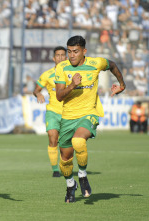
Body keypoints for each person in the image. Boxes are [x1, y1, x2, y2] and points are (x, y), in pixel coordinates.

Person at [55, 35, 126, 203]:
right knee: (64, 161)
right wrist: (72, 85)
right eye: (69, 52)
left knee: (79, 141)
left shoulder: (96, 63)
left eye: (75, 52)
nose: (71, 55)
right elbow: (59, 96)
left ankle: (83, 175)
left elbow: (113, 65)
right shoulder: (62, 68)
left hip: (89, 113)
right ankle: (70, 184)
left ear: (84, 51)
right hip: (67, 117)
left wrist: (121, 85)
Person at [33, 46, 67, 178]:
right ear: (54, 58)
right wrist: (38, 94)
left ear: (66, 57)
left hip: (68, 112)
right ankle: (55, 170)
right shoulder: (47, 75)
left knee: (66, 144)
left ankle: (65, 166)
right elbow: (36, 89)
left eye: (63, 55)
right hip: (52, 111)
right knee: (53, 137)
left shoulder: (71, 73)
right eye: (57, 55)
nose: (60, 57)